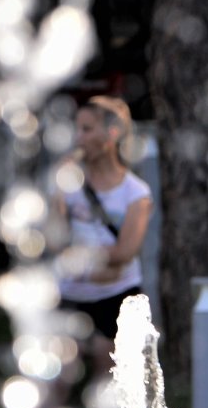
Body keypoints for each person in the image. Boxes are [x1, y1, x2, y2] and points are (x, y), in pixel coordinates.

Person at [58, 95, 154, 370]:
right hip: (72, 294)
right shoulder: (69, 184)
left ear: (112, 134)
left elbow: (125, 251)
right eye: (78, 129)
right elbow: (53, 239)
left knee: (108, 369)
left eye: (87, 129)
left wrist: (78, 258)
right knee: (60, 374)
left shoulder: (136, 193)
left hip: (117, 294)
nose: (78, 138)